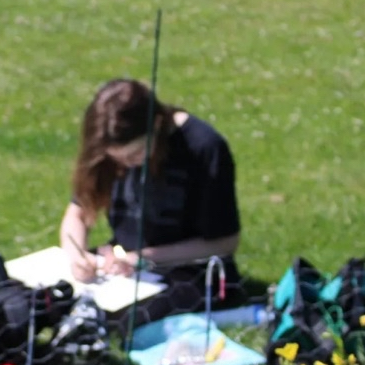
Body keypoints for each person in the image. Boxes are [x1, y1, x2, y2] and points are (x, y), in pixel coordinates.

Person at [58, 78, 244, 327]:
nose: (124, 164)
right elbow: (77, 214)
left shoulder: (204, 147)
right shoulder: (108, 148)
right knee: (45, 297)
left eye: (134, 155)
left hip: (190, 270)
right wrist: (77, 255)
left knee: (124, 320)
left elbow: (225, 242)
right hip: (120, 265)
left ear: (156, 124)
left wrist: (141, 258)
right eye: (117, 159)